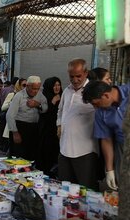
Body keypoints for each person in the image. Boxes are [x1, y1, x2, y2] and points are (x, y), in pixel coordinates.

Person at [57, 59, 98, 190]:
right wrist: (59, 125)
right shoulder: (67, 91)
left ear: (86, 73)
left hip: (85, 151)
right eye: (71, 76)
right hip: (64, 148)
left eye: (78, 76)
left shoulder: (94, 91)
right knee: (65, 189)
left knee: (86, 190)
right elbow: (61, 109)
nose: (75, 80)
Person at [82, 81, 130, 190]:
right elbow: (106, 139)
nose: (95, 107)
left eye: (96, 104)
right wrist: (109, 170)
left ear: (106, 95)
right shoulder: (100, 112)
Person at [6, 76, 48, 161]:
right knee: (18, 157)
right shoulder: (19, 96)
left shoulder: (40, 95)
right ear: (27, 86)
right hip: (20, 128)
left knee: (31, 156)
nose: (36, 91)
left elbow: (45, 108)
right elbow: (10, 115)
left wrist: (37, 105)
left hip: (33, 128)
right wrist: (15, 132)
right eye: (33, 88)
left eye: (38, 88)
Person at [37, 77, 63, 176]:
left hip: (58, 130)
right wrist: (52, 102)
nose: (57, 87)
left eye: (58, 85)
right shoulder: (44, 97)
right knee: (47, 152)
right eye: (54, 85)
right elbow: (44, 113)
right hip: (47, 130)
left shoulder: (63, 96)